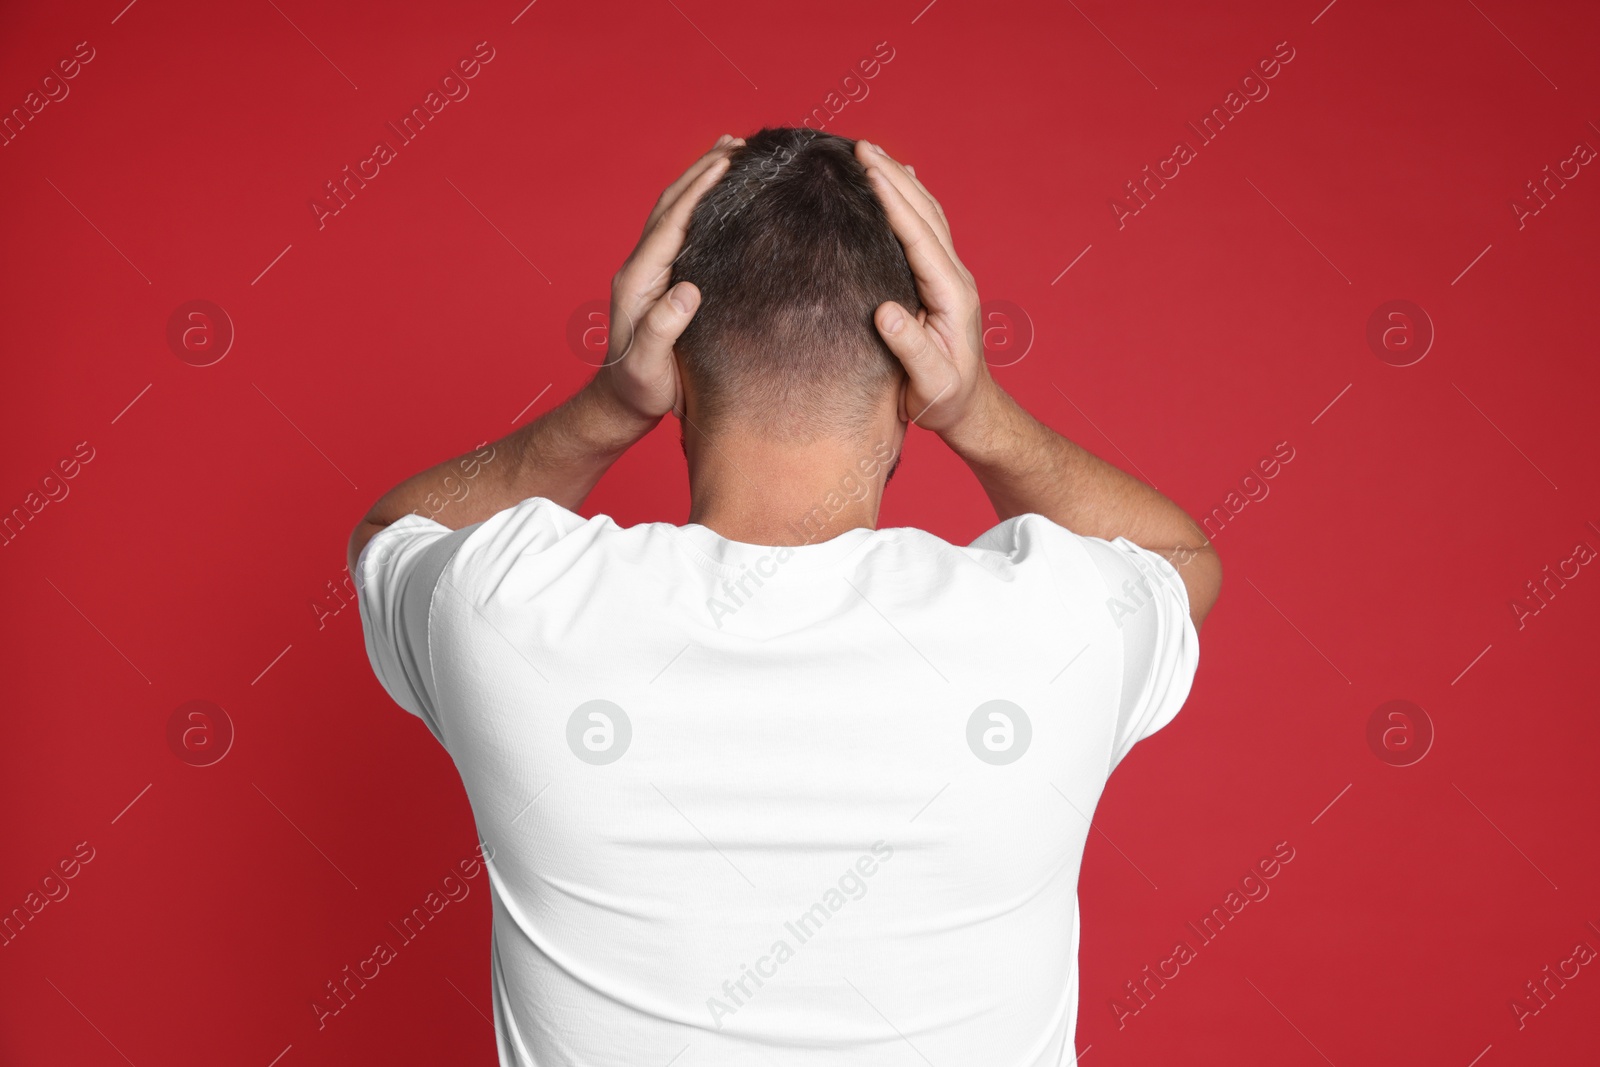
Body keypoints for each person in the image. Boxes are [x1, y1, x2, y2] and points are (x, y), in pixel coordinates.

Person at [350, 128, 1222, 1067]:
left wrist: (610, 403)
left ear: (673, 372)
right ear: (908, 389)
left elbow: (389, 536)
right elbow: (1181, 556)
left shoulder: (508, 605)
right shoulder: (1058, 627)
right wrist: (978, 409)